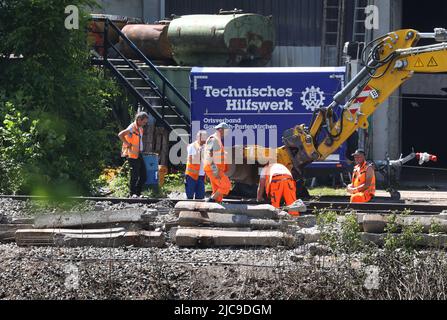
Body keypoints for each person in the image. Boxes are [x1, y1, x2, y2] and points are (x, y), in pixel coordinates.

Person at [118, 112, 149, 198]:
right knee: (134, 175)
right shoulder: (132, 127)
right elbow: (120, 135)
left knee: (144, 175)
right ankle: (133, 193)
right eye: (144, 122)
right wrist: (127, 143)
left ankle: (138, 193)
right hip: (131, 154)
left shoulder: (140, 128)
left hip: (138, 153)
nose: (145, 124)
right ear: (139, 119)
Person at [204, 122, 231, 203]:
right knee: (226, 186)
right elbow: (209, 155)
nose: (227, 133)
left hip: (214, 168)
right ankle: (210, 201)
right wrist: (215, 170)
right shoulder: (214, 139)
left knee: (217, 191)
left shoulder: (216, 139)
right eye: (226, 131)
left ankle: (214, 207)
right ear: (220, 130)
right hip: (214, 168)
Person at [185, 130, 208, 199]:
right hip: (191, 176)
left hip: (201, 176)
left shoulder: (206, 147)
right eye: (203, 137)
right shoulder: (192, 146)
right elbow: (192, 159)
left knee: (200, 197)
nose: (204, 139)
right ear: (198, 137)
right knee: (189, 197)